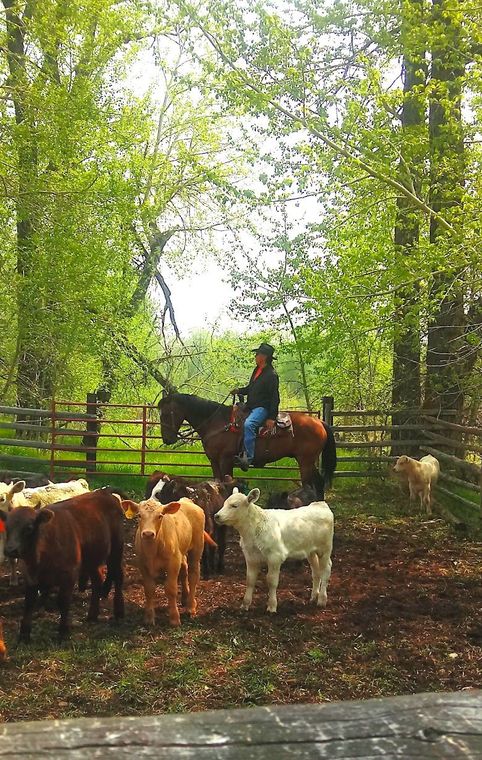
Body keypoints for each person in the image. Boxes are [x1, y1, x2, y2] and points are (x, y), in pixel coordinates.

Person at [230, 343, 280, 471]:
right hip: (251, 406)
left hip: (262, 408)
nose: (255, 356)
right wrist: (239, 390)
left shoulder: (271, 375)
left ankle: (249, 458)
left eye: (257, 354)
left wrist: (271, 417)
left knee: (249, 424)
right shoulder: (257, 370)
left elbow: (275, 397)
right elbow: (250, 389)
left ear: (264, 356)